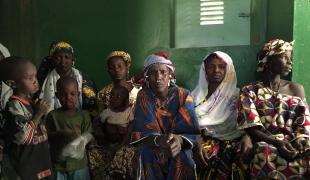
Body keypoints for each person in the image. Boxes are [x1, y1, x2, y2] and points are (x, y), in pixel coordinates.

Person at [238, 39, 310, 179]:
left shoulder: (296, 89)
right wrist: (277, 143)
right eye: (284, 57)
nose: (290, 62)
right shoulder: (249, 91)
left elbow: (304, 121)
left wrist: (301, 140)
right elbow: (252, 128)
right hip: (266, 141)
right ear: (268, 61)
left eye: (291, 58)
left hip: (293, 141)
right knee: (264, 154)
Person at [130, 51, 200, 180]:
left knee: (183, 156)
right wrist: (160, 140)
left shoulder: (183, 94)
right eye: (153, 72)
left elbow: (190, 129)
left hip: (178, 143)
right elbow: (143, 130)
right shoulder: (143, 96)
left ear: (170, 76)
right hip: (154, 143)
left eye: (163, 72)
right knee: (147, 154)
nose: (158, 77)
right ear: (146, 76)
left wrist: (178, 141)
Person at [191, 51, 252, 179]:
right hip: (201, 140)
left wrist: (248, 137)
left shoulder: (239, 96)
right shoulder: (193, 97)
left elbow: (250, 122)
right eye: (211, 66)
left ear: (228, 70)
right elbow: (186, 124)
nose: (216, 70)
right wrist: (197, 141)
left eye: (221, 67)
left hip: (234, 140)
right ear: (204, 70)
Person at [88, 50, 140, 180]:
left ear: (127, 68)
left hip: (132, 137)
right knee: (93, 151)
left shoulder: (139, 91)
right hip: (109, 138)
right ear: (108, 71)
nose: (116, 70)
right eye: (112, 67)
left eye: (120, 66)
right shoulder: (103, 93)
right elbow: (101, 120)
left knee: (127, 154)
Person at [1, 56, 53, 179]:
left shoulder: (31, 102)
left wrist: (42, 114)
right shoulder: (13, 107)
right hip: (26, 171)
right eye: (29, 78)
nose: (35, 81)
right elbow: (23, 138)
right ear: (12, 84)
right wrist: (39, 114)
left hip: (42, 164)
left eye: (35, 76)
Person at [45, 77, 93, 180]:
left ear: (78, 95)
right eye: (63, 94)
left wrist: (81, 138)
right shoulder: (52, 115)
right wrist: (61, 135)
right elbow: (46, 136)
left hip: (78, 165)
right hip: (58, 164)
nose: (68, 97)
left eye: (72, 94)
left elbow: (89, 135)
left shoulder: (83, 115)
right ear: (57, 95)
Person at [39, 41, 97, 114]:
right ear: (53, 60)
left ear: (73, 60)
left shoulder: (85, 80)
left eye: (67, 57)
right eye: (58, 58)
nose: (63, 62)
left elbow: (91, 109)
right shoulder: (43, 80)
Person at [92, 84, 136, 179]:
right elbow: (97, 124)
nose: (114, 98)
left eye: (118, 97)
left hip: (125, 140)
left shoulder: (128, 111)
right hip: (109, 140)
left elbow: (132, 125)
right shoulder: (107, 111)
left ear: (126, 100)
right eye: (112, 96)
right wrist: (101, 135)